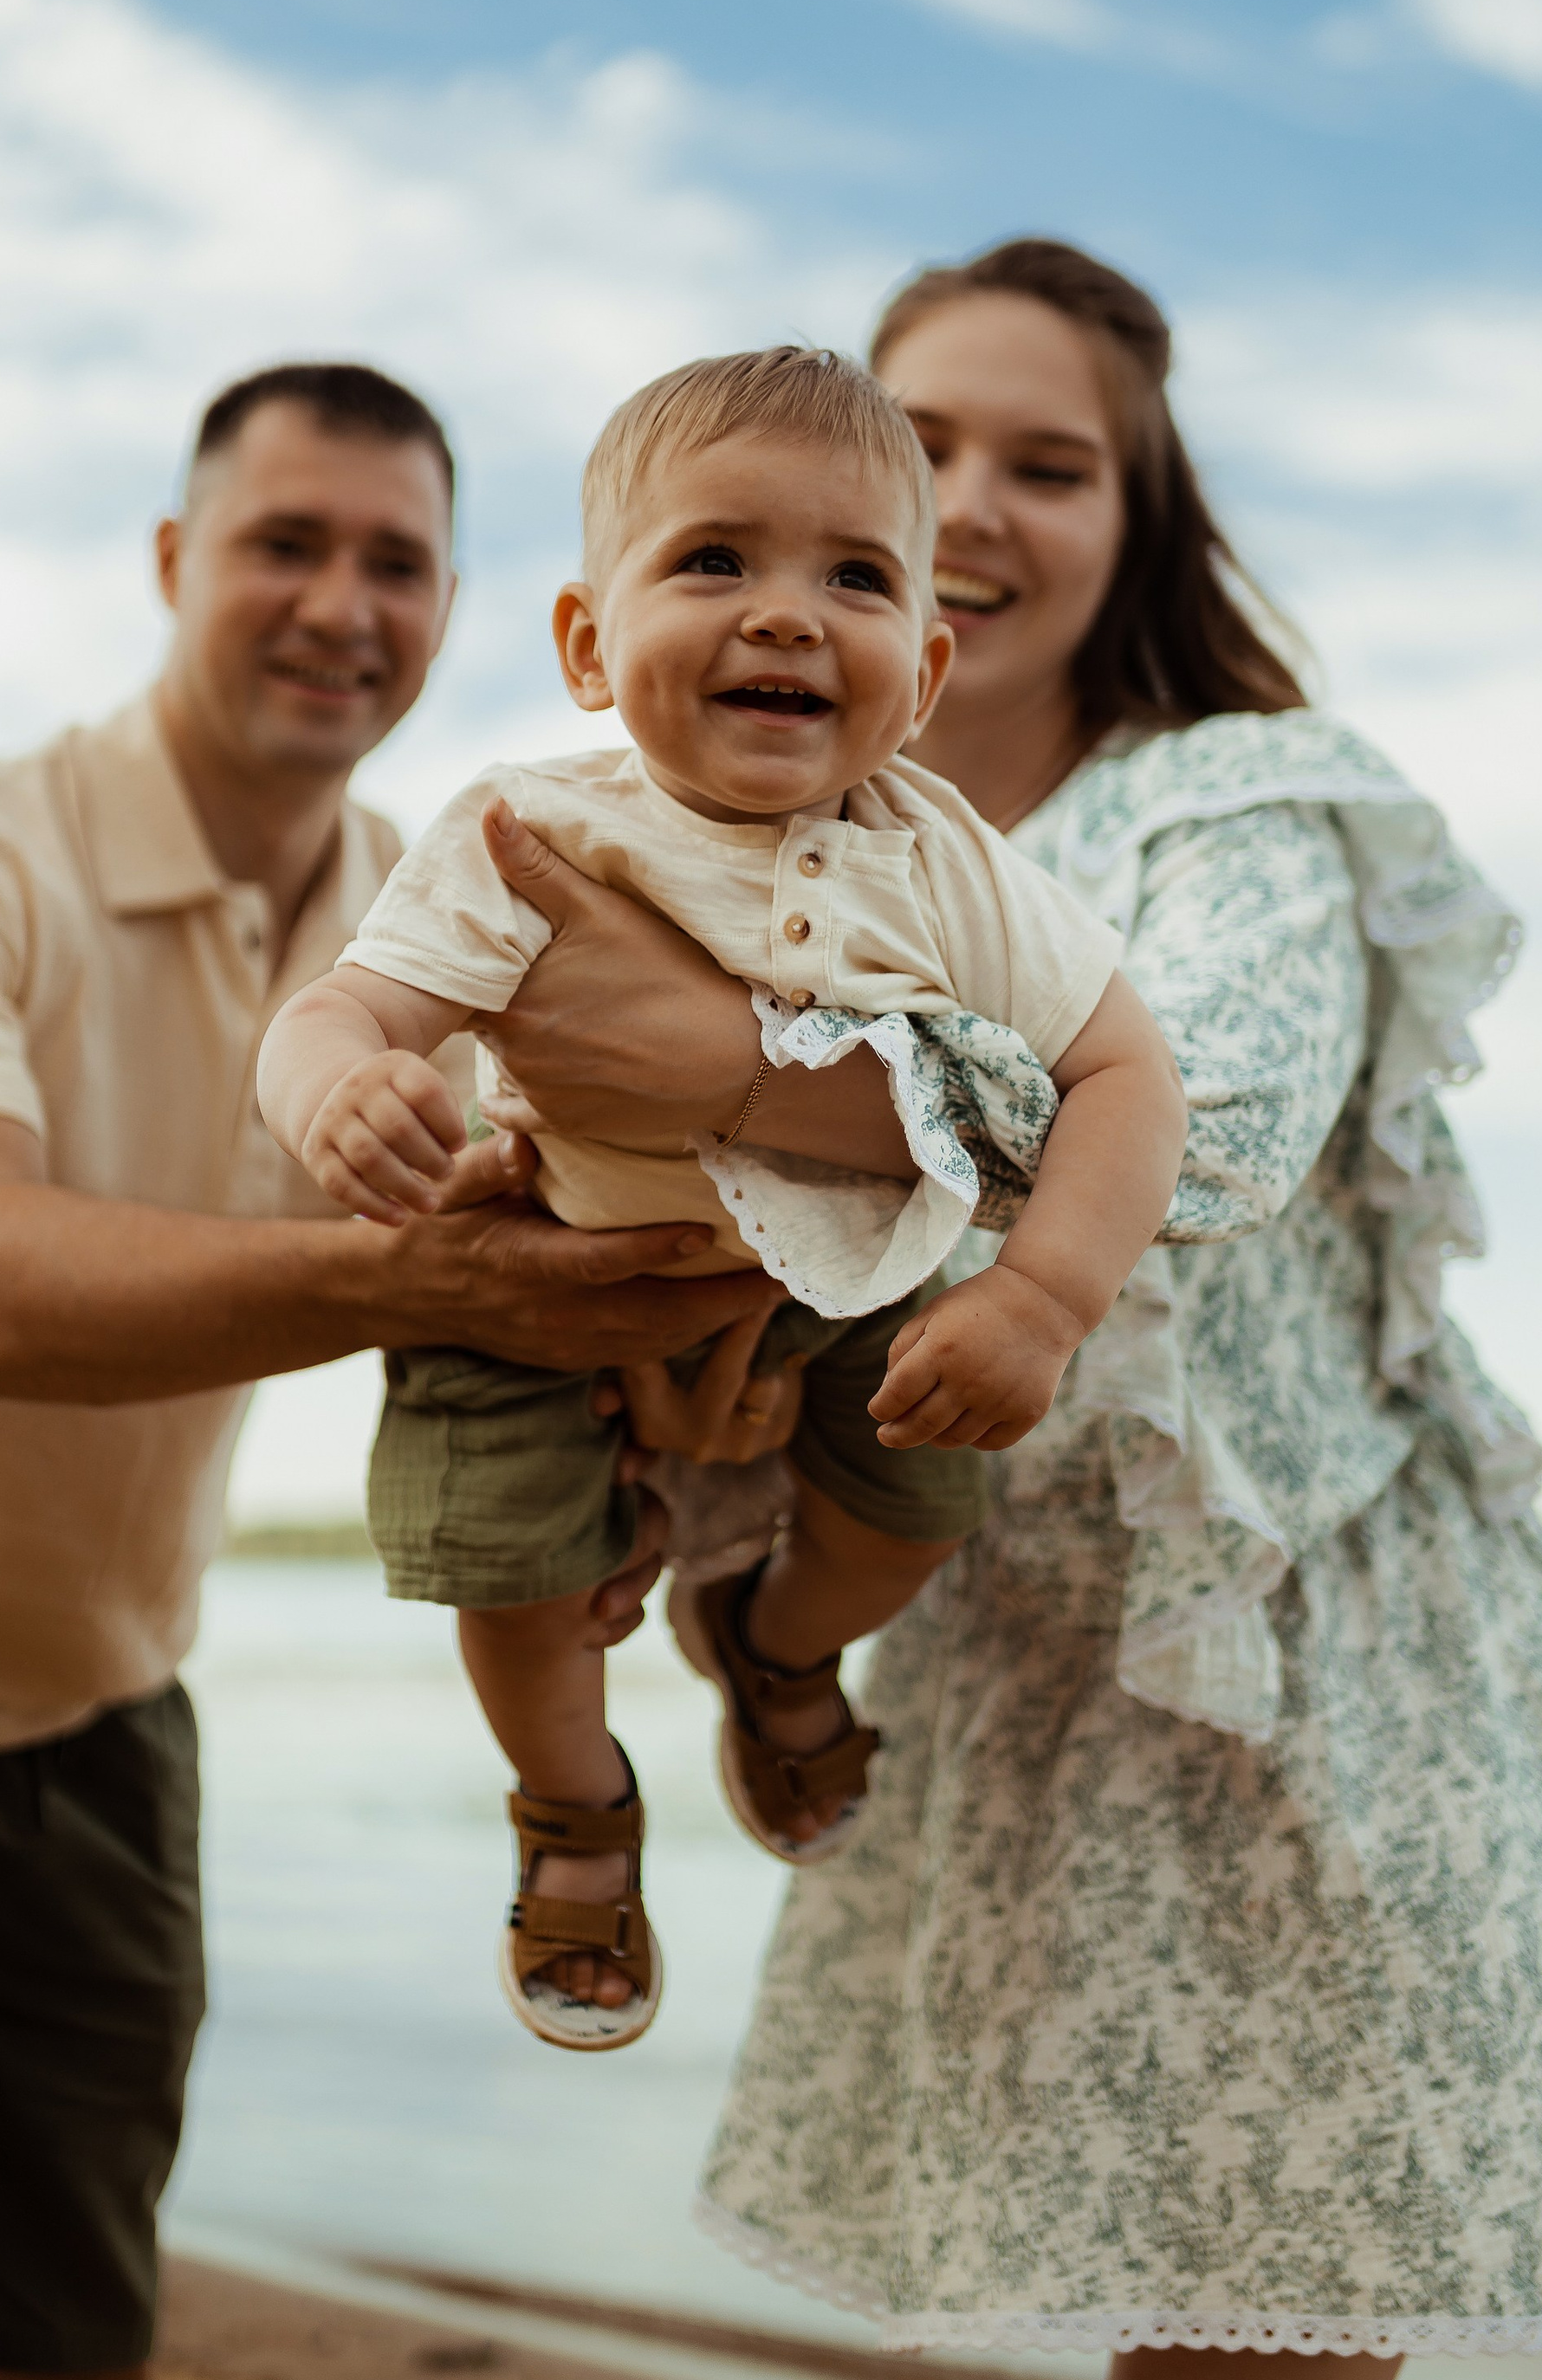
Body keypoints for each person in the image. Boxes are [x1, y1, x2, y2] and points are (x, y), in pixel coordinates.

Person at [0, 356, 921, 2380]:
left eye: (395, 561)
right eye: (285, 543)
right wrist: (448, 1298)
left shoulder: (459, 904)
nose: (338, 602)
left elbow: (573, 1256)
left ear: (469, 607)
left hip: (107, 1704)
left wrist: (633, 1480)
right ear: (178, 565)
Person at [677, 242, 1542, 2380]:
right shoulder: (781, 882)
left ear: (1145, 521)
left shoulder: (1238, 798)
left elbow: (1211, 1120)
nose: (987, 502)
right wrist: (754, 1630)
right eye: (924, 445)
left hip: (1327, 1701)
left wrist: (724, 1079)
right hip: (1039, 1714)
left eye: (1060, 462)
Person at [257, 347, 1185, 2050]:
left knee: (908, 1522)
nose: (781, 616)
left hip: (856, 1285)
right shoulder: (527, 836)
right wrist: (344, 1088)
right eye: (712, 561)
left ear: (918, 670)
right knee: (501, 1567)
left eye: (851, 576)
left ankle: (766, 1650)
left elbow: (1127, 1076)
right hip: (545, 1266)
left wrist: (1041, 1294)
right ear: (587, 648)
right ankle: (573, 1806)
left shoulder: (949, 860)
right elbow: (341, 1011)